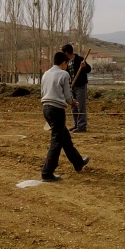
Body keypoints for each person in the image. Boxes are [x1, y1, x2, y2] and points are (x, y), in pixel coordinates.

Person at [41, 52, 90, 182]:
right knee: (56, 141)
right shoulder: (64, 74)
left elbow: (42, 92)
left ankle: (78, 162)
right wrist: (73, 102)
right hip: (57, 109)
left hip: (46, 108)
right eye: (66, 64)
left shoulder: (46, 74)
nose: (66, 66)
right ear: (63, 63)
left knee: (65, 137)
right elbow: (68, 97)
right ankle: (47, 172)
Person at [61, 44, 91, 133]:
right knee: (73, 105)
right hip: (71, 86)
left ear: (66, 52)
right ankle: (76, 125)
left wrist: (84, 66)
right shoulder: (65, 62)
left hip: (80, 86)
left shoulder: (79, 59)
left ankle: (82, 126)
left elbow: (89, 69)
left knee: (80, 106)